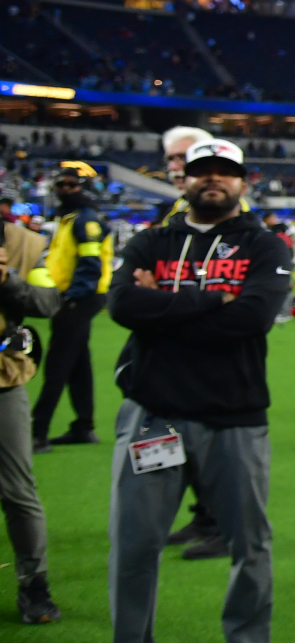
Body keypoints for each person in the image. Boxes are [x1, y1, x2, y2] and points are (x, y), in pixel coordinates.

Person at [105, 139, 292, 643]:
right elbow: (122, 306)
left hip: (235, 417)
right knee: (133, 546)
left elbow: (253, 318)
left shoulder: (265, 246)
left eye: (224, 171)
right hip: (154, 416)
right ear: (183, 180)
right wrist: (214, 299)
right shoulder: (150, 242)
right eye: (202, 170)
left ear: (242, 182)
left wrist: (162, 309)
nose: (213, 178)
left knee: (250, 547)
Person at [0, 212, 62, 623]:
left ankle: (34, 586)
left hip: (3, 382)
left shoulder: (25, 243)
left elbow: (48, 302)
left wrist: (7, 280)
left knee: (18, 490)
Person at [31, 162, 111, 452]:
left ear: (81, 187)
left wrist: (72, 299)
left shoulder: (84, 220)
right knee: (78, 363)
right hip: (76, 295)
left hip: (79, 297)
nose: (66, 190)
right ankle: (84, 426)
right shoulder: (72, 217)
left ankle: (37, 432)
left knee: (58, 363)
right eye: (61, 185)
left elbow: (90, 264)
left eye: (71, 185)